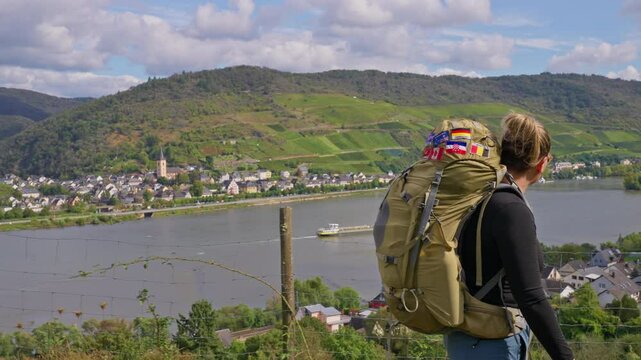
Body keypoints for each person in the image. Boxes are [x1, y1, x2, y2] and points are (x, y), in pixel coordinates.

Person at [445, 113, 574, 360]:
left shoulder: (477, 197)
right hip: (495, 342)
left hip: (463, 338)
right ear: (542, 163)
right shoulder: (511, 210)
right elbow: (531, 296)